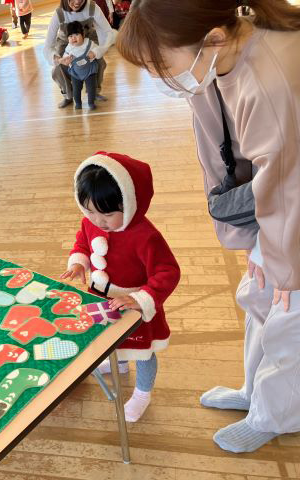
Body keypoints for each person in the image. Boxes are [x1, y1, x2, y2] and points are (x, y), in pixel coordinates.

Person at [116, 0, 300, 453]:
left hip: (292, 209)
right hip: (279, 205)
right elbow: (223, 164)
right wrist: (253, 244)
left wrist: (286, 266)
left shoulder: (269, 80)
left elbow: (288, 184)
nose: (158, 78)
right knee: (257, 297)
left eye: (160, 66)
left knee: (290, 323)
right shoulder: (213, 67)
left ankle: (275, 415)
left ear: (212, 39)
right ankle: (255, 393)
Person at [61, 152, 180, 422]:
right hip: (102, 298)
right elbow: (83, 242)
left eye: (107, 214)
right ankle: (121, 365)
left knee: (144, 353)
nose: (97, 220)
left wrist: (141, 298)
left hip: (135, 306)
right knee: (112, 340)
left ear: (130, 202)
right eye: (89, 211)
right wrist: (79, 262)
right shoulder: (89, 222)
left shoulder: (146, 236)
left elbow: (168, 271)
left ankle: (142, 394)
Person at [44, 0, 115, 109]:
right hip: (65, 42)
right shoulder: (59, 13)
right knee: (58, 69)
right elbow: (48, 46)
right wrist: (58, 59)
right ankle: (68, 95)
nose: (77, 2)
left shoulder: (92, 8)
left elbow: (108, 32)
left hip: (88, 39)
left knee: (100, 63)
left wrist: (98, 51)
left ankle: (94, 92)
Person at [62, 21, 98, 110]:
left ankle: (91, 102)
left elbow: (97, 49)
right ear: (68, 38)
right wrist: (66, 59)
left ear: (83, 35)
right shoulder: (69, 48)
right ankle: (78, 103)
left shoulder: (89, 43)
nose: (73, 38)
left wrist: (94, 52)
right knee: (76, 89)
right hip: (76, 73)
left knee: (91, 88)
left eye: (77, 34)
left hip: (89, 71)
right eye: (70, 36)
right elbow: (64, 57)